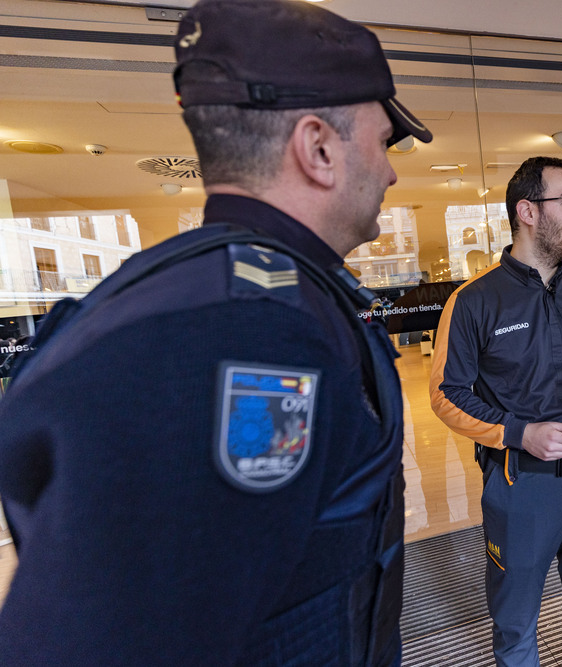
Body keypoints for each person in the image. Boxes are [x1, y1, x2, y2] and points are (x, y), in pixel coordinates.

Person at [0, 1, 431, 664]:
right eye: (382, 142)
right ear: (318, 148)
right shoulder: (245, 335)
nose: (393, 171)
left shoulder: (247, 296)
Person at [429, 156, 562, 666]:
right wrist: (519, 434)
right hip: (521, 486)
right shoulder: (474, 301)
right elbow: (446, 394)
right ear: (527, 211)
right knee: (515, 621)